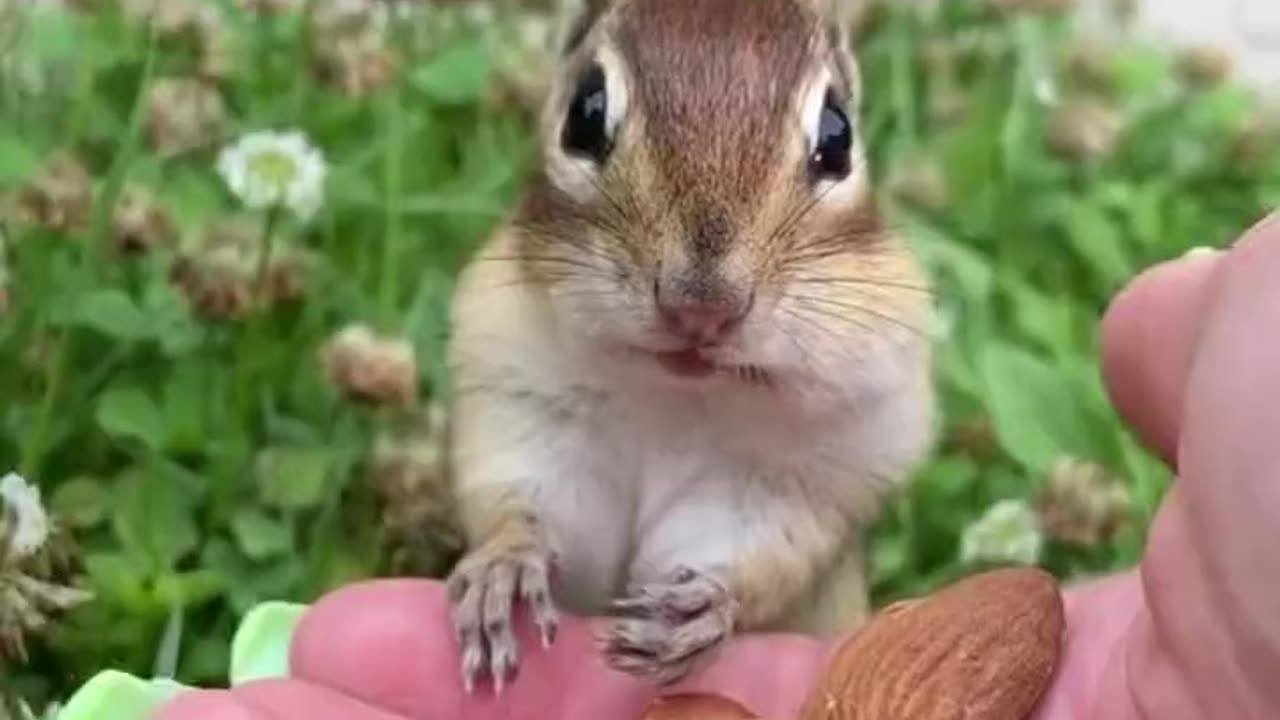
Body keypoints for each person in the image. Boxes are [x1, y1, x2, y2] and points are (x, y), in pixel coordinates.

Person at [156, 212, 1280, 720]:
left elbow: (823, 489)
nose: (702, 298)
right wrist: (511, 535)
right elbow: (520, 435)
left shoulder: (857, 318)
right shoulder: (522, 300)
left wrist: (738, 584)